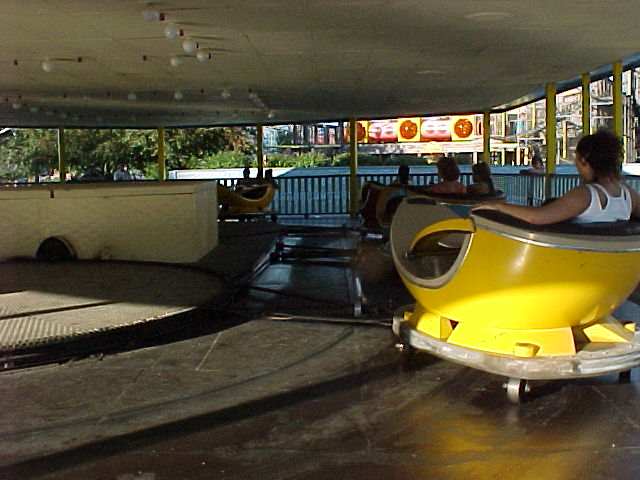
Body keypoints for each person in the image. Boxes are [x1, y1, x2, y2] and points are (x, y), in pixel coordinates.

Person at [473, 129, 640, 224]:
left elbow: (536, 217)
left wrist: (498, 207)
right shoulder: (628, 194)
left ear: (584, 160)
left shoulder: (586, 195)